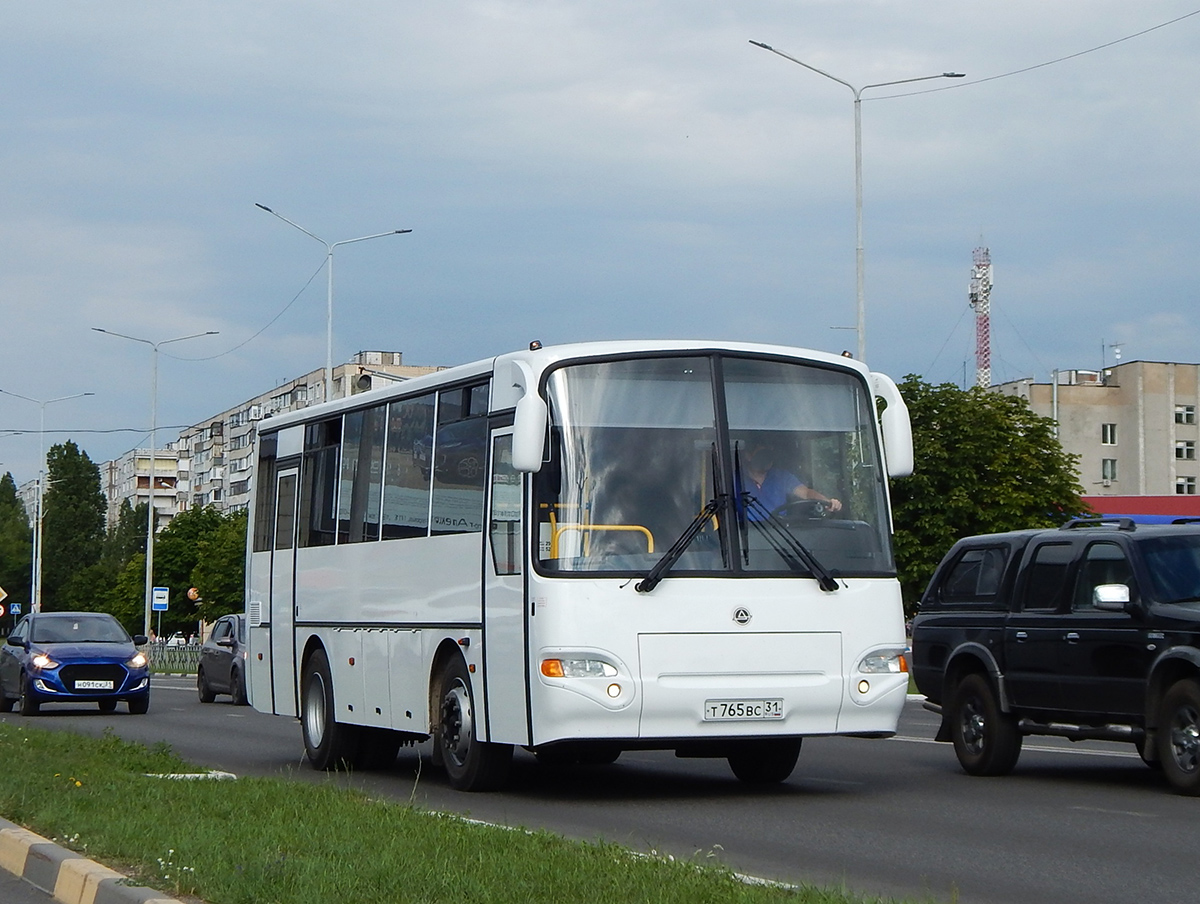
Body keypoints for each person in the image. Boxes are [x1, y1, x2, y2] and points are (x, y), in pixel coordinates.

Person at [740, 443, 842, 518]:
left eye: (770, 456)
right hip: (747, 538)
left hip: (781, 535)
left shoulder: (781, 477)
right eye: (763, 454)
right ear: (748, 456)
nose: (768, 460)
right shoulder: (735, 480)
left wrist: (827, 502)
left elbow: (806, 493)